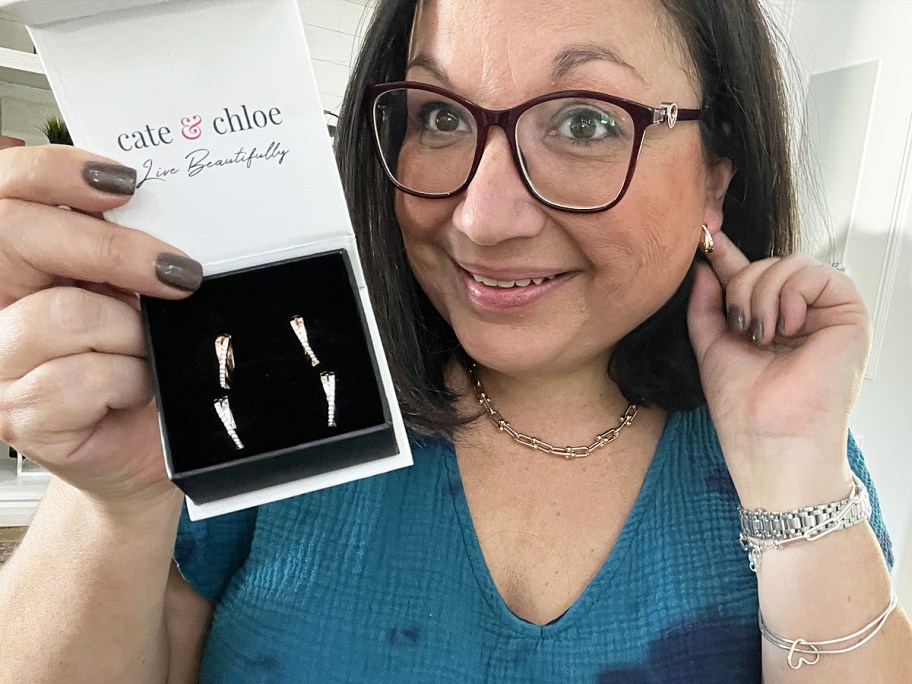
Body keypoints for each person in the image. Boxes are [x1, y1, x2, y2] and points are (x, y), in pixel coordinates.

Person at [0, 0, 910, 681]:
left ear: (718, 173)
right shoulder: (284, 410)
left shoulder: (794, 469)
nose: (481, 218)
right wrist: (112, 505)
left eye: (585, 121)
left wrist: (789, 464)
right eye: (439, 115)